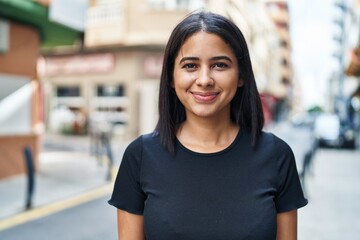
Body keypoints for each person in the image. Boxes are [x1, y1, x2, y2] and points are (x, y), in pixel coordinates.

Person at [108, 11, 308, 240]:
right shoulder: (140, 157)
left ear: (241, 75)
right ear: (172, 78)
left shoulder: (276, 156)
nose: (204, 80)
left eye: (220, 65)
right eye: (190, 65)